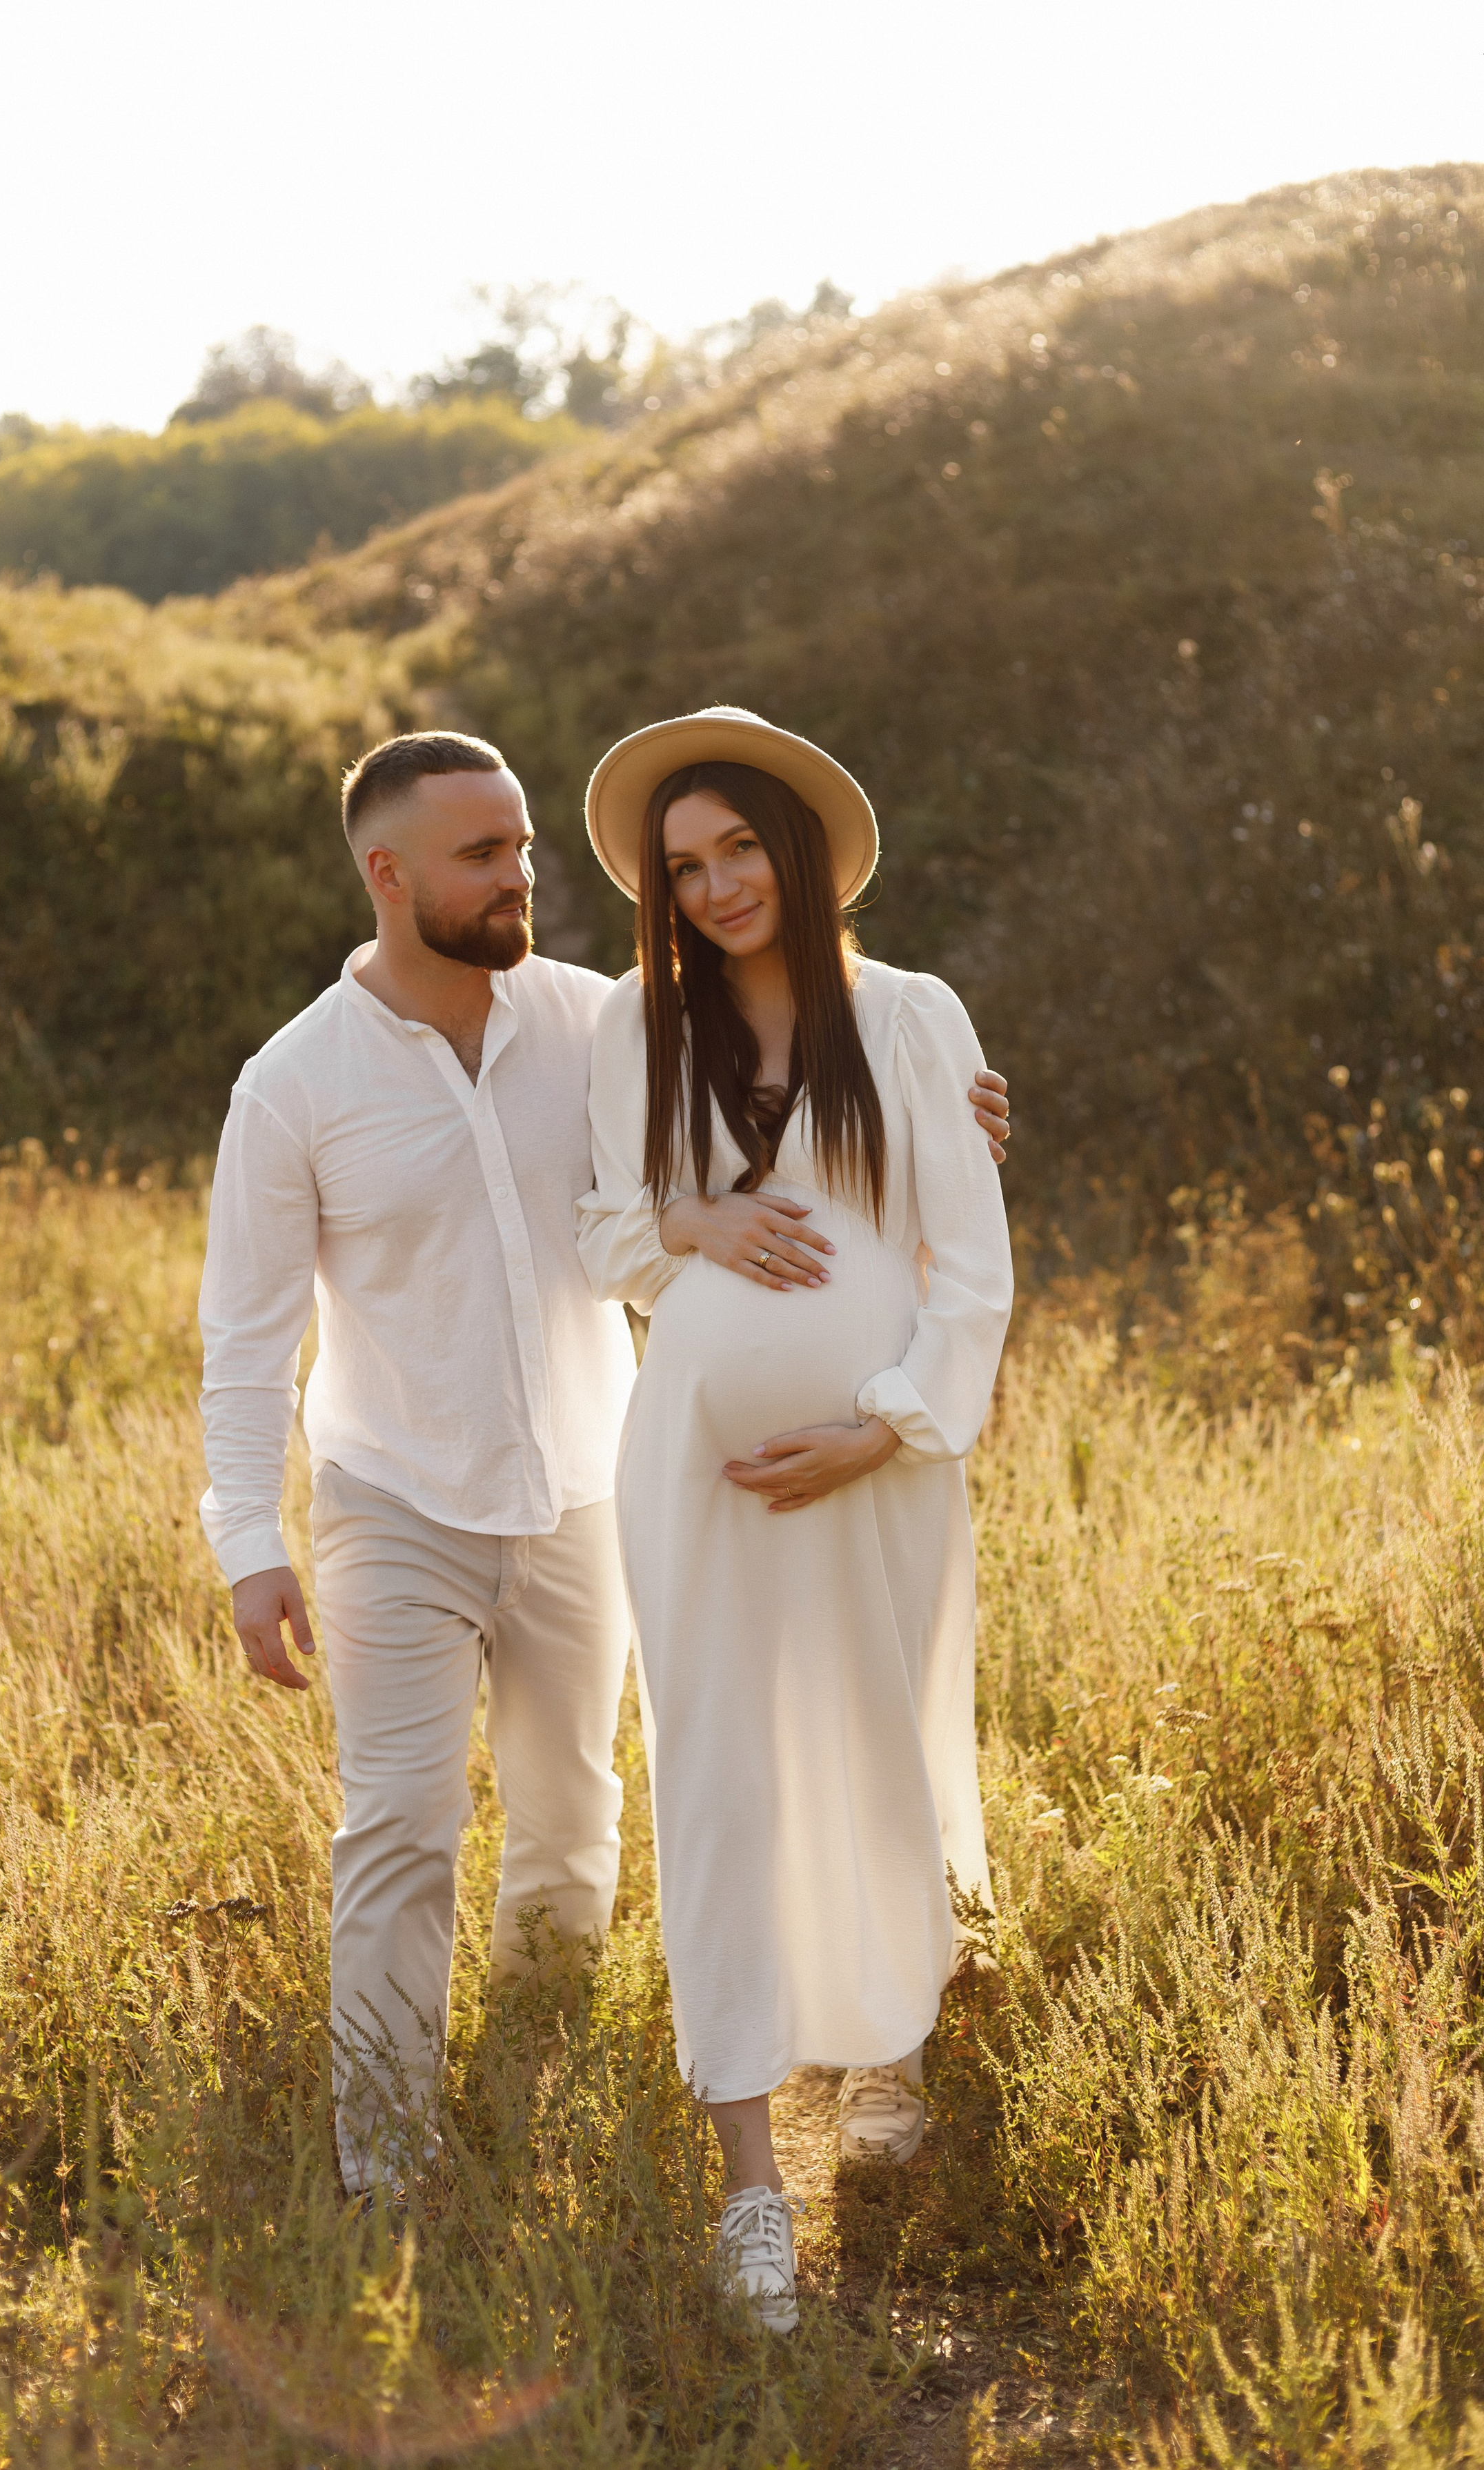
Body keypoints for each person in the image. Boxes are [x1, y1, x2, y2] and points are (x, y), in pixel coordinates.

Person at [197, 727, 1011, 2198]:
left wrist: (956, 1105)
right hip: (401, 1492)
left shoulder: (591, 1017)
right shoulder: (297, 1083)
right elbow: (247, 1339)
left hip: (583, 1486)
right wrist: (250, 1542)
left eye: (522, 844)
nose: (522, 875)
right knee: (402, 1824)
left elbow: (794, 1130)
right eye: (483, 854)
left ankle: (535, 2092)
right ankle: (387, 2169)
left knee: (578, 1830)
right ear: (388, 874)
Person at [574, 707, 1013, 2335]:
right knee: (715, 1774)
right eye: (683, 866)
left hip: (880, 1453)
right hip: (693, 1464)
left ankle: (888, 2047)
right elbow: (608, 1238)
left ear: (798, 846)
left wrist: (879, 1424)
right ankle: (750, 2183)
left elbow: (969, 1268)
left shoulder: (909, 1016)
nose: (713, 886)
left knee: (878, 1737)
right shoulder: (636, 1021)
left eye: (738, 847)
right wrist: (687, 1217)